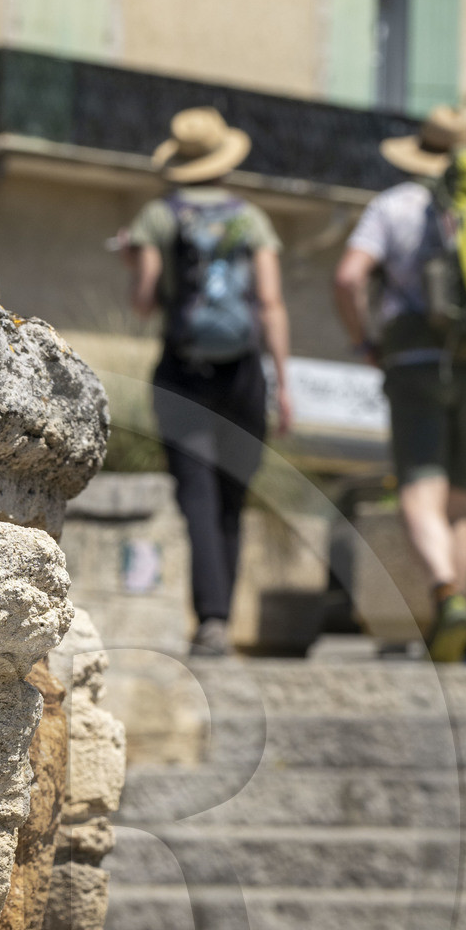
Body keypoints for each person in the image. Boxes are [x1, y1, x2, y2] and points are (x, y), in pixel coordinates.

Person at [334, 105, 466, 664]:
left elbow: (349, 276)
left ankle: (446, 594)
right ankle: (452, 622)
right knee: (460, 499)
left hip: (413, 358)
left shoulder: (395, 206)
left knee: (419, 487)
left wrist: (365, 341)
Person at [124, 107, 294, 657]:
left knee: (195, 495)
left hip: (183, 370)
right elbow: (269, 303)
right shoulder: (251, 220)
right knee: (230, 500)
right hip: (244, 374)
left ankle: (213, 622)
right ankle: (223, 614)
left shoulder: (158, 216)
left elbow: (146, 301)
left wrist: (136, 263)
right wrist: (284, 383)